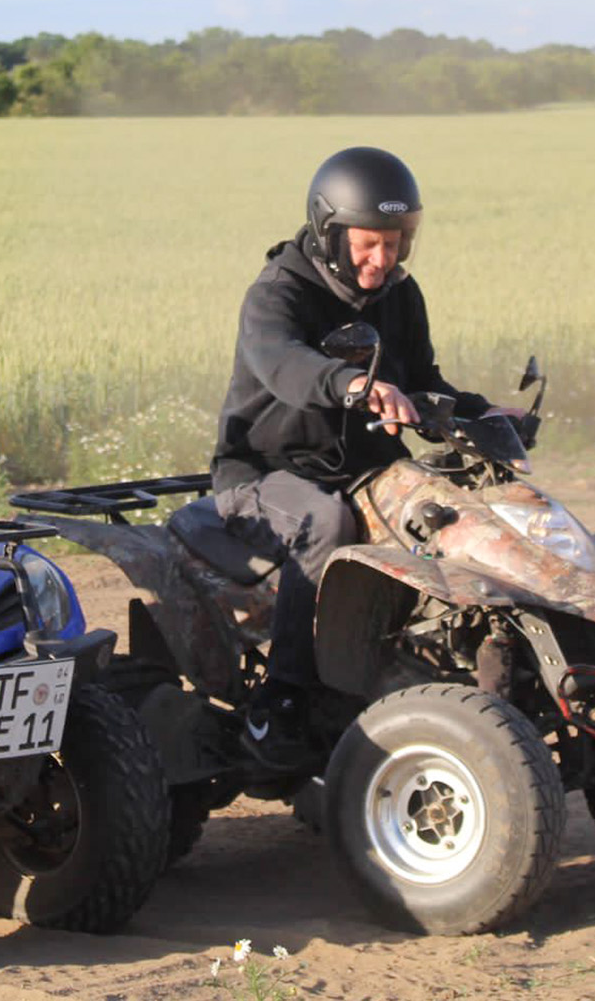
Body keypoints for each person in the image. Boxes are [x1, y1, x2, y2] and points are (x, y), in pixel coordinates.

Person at [211, 146, 500, 767]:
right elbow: (286, 365)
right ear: (329, 233)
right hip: (267, 474)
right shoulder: (277, 294)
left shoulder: (399, 294)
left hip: (367, 471)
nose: (382, 260)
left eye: (396, 244)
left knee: (460, 514)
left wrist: (485, 414)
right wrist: (354, 385)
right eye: (368, 244)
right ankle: (280, 703)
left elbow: (424, 381)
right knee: (326, 523)